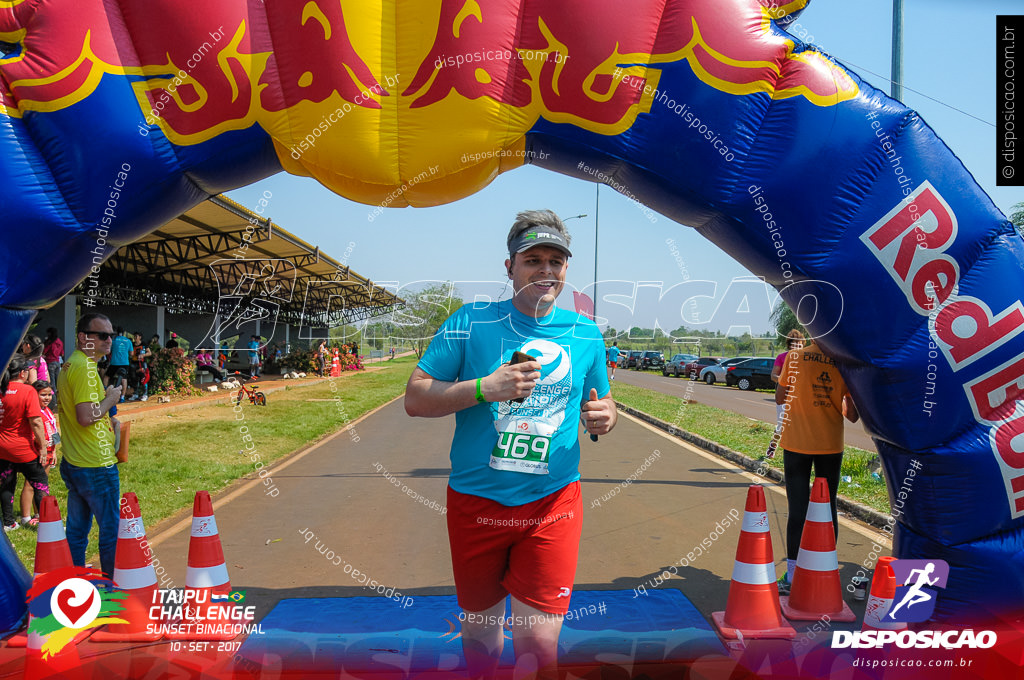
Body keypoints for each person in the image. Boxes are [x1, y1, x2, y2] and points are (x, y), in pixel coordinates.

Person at [405, 210, 617, 680]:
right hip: (475, 503)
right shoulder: (470, 322)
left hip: (553, 505)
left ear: (566, 270)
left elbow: (602, 408)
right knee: (481, 637)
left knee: (539, 643)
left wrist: (606, 417)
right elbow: (416, 399)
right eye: (533, 260)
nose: (545, 270)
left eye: (555, 262)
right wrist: (485, 388)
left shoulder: (586, 333)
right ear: (510, 267)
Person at [775, 338, 859, 595]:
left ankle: (792, 576)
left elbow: (780, 397)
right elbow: (853, 415)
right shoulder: (844, 363)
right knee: (827, 508)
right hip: (830, 446)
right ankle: (824, 572)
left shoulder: (794, 357)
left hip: (796, 444)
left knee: (797, 509)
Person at [57, 313, 122, 578]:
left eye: (111, 335)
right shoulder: (83, 367)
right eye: (103, 335)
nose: (109, 340)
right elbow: (85, 417)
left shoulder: (70, 365)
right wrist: (111, 398)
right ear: (84, 337)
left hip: (75, 461)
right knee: (110, 530)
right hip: (95, 464)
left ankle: (76, 581)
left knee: (76, 530)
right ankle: (112, 587)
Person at [0, 356, 49, 532]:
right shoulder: (28, 391)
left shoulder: (1, 389)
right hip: (23, 449)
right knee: (40, 482)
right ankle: (47, 524)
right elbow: (36, 422)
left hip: (2, 448)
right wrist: (43, 447)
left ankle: (8, 523)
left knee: (7, 484)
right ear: (22, 373)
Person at [19, 380, 58, 525]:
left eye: (49, 394)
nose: (47, 398)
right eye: (43, 395)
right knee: (30, 484)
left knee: (42, 485)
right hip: (37, 452)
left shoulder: (47, 410)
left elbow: (53, 430)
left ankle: (38, 514)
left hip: (48, 452)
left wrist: (54, 451)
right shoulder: (33, 410)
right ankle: (25, 517)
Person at [765, 329, 805, 458]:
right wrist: (786, 381)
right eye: (795, 345)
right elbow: (773, 376)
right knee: (782, 425)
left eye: (800, 345)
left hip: (800, 397)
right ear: (789, 345)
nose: (798, 348)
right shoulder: (782, 357)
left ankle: (796, 452)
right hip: (783, 397)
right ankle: (773, 445)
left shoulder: (806, 358)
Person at [107, 327, 133, 403]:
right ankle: (122, 397)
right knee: (124, 379)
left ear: (117, 332)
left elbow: (108, 351)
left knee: (107, 377)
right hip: (125, 362)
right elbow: (131, 353)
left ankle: (104, 392)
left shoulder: (114, 341)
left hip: (114, 362)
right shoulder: (128, 341)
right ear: (124, 332)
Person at [128, 333, 152, 402]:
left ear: (140, 337)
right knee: (134, 378)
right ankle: (136, 393)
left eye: (136, 336)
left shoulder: (143, 344)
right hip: (134, 363)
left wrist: (143, 355)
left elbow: (149, 353)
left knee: (144, 378)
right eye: (134, 336)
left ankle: (145, 394)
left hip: (142, 363)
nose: (135, 338)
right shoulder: (132, 344)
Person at [42, 328, 64, 393]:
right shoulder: (60, 342)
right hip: (57, 362)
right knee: (58, 383)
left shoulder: (50, 342)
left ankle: (53, 399)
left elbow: (44, 351)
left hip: (50, 362)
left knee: (52, 383)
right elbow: (62, 353)